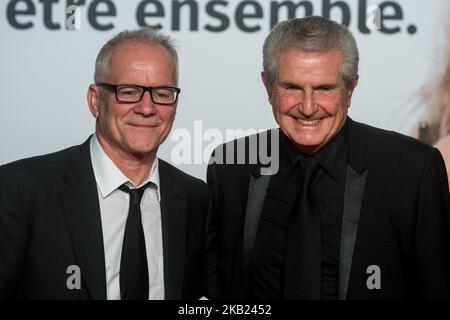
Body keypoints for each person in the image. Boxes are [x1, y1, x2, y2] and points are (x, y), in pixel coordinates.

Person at [206, 16, 450, 300]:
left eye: (324, 88)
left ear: (350, 89)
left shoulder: (412, 169)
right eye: (292, 87)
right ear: (267, 86)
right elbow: (217, 291)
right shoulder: (231, 166)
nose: (308, 107)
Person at [0, 28, 209, 300]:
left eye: (162, 93)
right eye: (129, 92)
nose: (147, 108)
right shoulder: (21, 190)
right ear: (95, 100)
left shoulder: (195, 199)